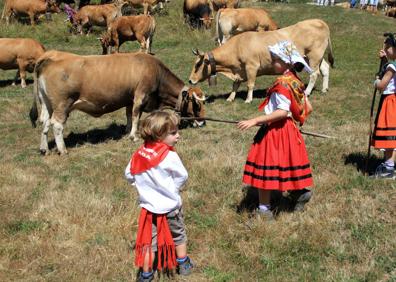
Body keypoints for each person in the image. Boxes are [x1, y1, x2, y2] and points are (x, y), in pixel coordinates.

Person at [237, 40, 314, 220]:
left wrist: (255, 120)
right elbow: (307, 107)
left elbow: (281, 112)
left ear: (286, 61)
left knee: (265, 170)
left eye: (275, 59)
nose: (272, 62)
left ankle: (264, 211)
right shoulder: (295, 79)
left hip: (276, 131)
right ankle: (300, 194)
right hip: (289, 130)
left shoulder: (282, 83)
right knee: (286, 164)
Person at [125, 111, 193, 282]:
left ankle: (146, 274)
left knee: (149, 242)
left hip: (149, 209)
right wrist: (173, 189)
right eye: (173, 133)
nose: (178, 135)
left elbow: (129, 173)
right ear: (158, 135)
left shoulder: (140, 153)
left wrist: (141, 187)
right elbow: (182, 176)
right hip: (171, 207)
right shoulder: (170, 156)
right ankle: (183, 263)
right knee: (178, 235)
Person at [371, 34, 396, 179]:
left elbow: (382, 85)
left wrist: (376, 82)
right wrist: (384, 61)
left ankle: (388, 168)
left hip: (390, 102)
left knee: (389, 135)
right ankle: (390, 165)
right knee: (394, 137)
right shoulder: (392, 64)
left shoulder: (392, 67)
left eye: (387, 47)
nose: (384, 49)